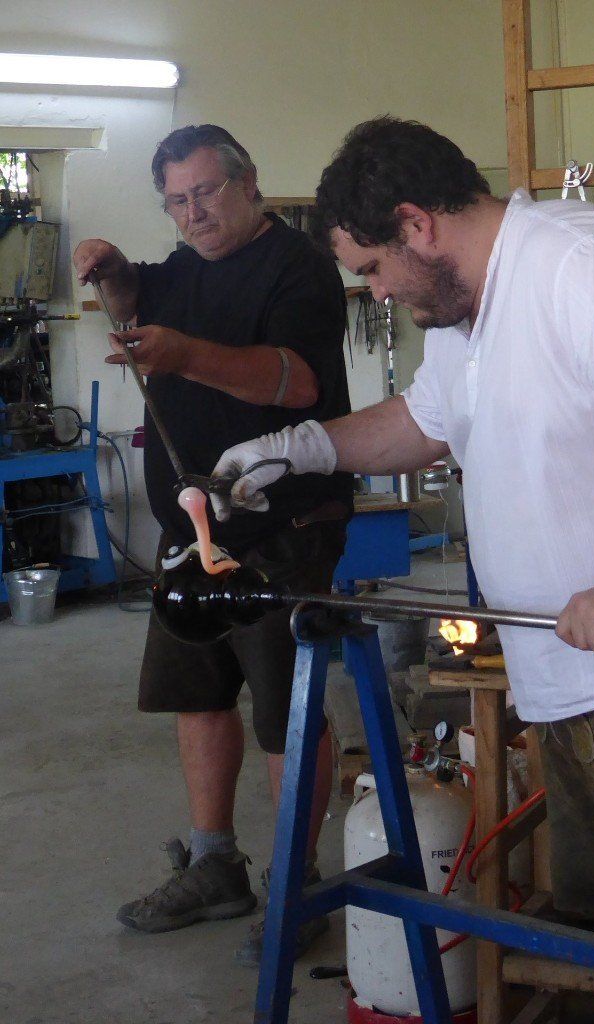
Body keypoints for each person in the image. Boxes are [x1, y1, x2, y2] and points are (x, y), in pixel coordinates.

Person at [209, 117, 594, 1022]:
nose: (376, 291)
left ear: (416, 224)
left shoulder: (572, 262)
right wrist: (300, 447)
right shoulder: (461, 312)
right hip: (566, 676)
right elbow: (426, 423)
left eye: (373, 268)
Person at [72, 124, 352, 964]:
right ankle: (213, 863)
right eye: (176, 201)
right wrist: (114, 273)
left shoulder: (298, 266)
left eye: (205, 193)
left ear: (248, 181)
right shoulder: (182, 269)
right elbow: (141, 296)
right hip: (188, 535)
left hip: (282, 531)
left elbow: (296, 382)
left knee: (283, 712)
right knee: (196, 694)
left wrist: (186, 356)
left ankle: (296, 882)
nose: (192, 213)